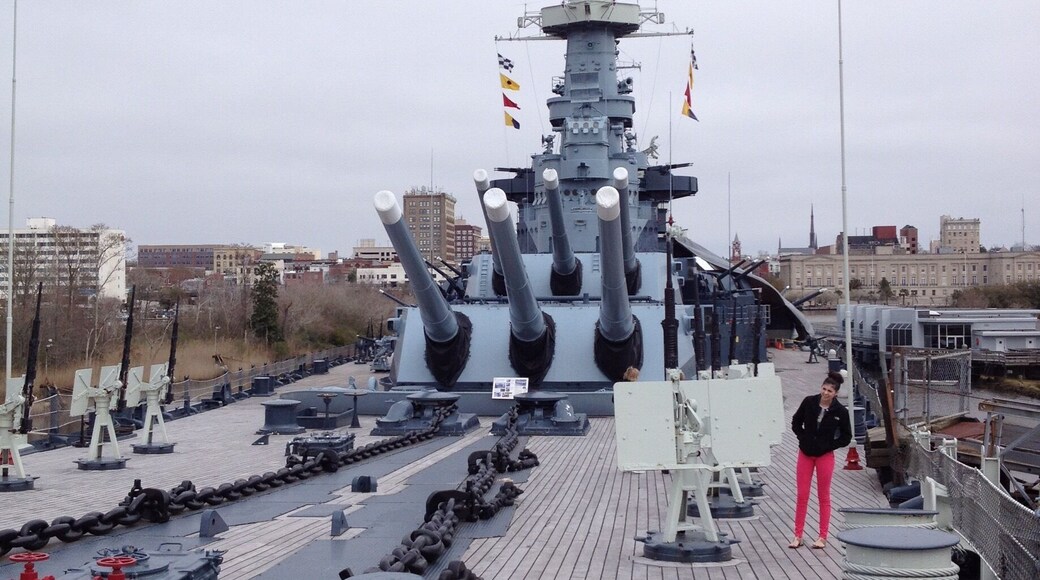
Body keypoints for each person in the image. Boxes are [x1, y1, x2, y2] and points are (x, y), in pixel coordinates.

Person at [789, 371, 852, 550]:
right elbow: (795, 421)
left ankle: (822, 536)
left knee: (823, 496)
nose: (825, 393)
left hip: (825, 456)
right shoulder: (809, 402)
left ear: (836, 394)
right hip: (805, 454)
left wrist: (830, 445)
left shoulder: (840, 411)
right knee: (802, 495)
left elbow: (847, 436)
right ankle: (798, 535)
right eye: (824, 389)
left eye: (830, 391)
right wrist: (803, 438)